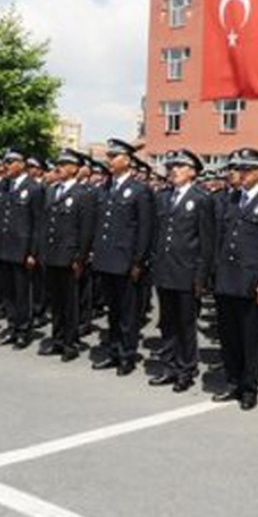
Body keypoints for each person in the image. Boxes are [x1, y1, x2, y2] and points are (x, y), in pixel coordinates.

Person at [212, 147, 258, 411]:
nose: (239, 175)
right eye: (238, 170)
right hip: (227, 280)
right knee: (229, 336)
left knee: (250, 339)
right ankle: (232, 382)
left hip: (252, 282)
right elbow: (221, 240)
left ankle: (248, 388)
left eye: (245, 170)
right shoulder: (231, 199)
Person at [148, 148, 214, 392]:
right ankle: (168, 365)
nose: (174, 170)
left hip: (187, 273)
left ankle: (186, 369)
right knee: (167, 322)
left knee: (186, 324)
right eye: (172, 166)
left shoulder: (201, 199)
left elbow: (207, 243)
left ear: (193, 172)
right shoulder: (164, 197)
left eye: (180, 166)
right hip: (165, 270)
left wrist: (201, 277)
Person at [90, 139, 156, 377]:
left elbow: (145, 229)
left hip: (127, 262)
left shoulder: (140, 190)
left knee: (128, 313)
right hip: (107, 259)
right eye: (109, 156)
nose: (109, 160)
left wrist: (139, 261)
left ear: (126, 160)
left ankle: (127, 355)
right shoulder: (105, 188)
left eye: (114, 156)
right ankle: (114, 350)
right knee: (114, 310)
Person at [38, 149, 97, 362]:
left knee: (70, 303)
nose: (59, 167)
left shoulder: (84, 193)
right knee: (56, 302)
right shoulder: (52, 190)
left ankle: (70, 343)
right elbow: (47, 225)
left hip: (70, 257)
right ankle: (57, 339)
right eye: (58, 164)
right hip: (52, 254)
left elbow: (86, 230)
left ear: (75, 168)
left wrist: (80, 258)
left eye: (64, 164)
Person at [0, 150, 45, 350]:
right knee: (7, 292)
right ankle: (12, 326)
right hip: (4, 246)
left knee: (22, 293)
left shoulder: (34, 188)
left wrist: (33, 252)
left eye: (10, 162)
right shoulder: (5, 186)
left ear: (21, 164)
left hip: (22, 249)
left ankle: (23, 330)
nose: (6, 165)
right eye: (5, 162)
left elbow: (38, 223)